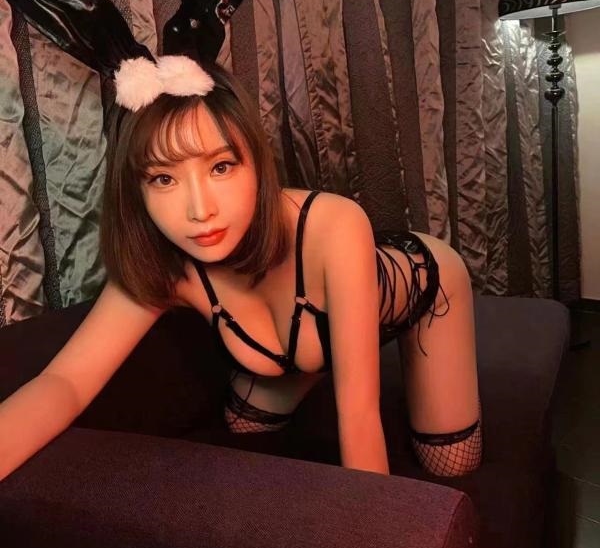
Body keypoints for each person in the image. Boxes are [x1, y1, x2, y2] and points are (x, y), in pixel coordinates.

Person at [0, 58, 481, 481]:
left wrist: (380, 539)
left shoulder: (335, 225)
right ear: (137, 192)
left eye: (221, 167)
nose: (200, 210)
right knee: (245, 428)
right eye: (164, 178)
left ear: (256, 160)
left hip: (424, 288)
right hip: (305, 337)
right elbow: (65, 383)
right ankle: (317, 357)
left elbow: (358, 416)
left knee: (450, 464)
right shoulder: (165, 265)